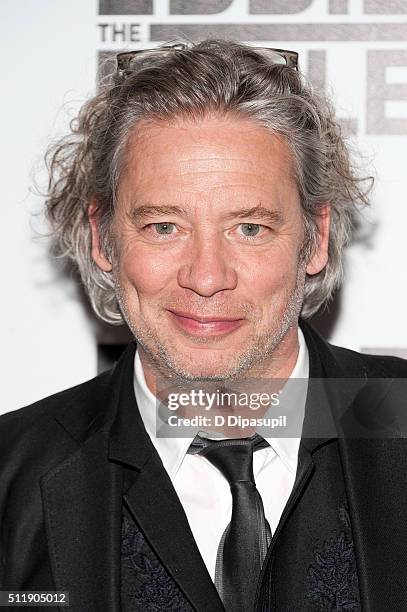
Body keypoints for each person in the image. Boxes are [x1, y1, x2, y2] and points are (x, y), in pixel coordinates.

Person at [1, 39, 406, 612]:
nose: (207, 277)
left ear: (314, 238)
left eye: (249, 228)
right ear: (102, 239)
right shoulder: (12, 475)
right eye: (164, 226)